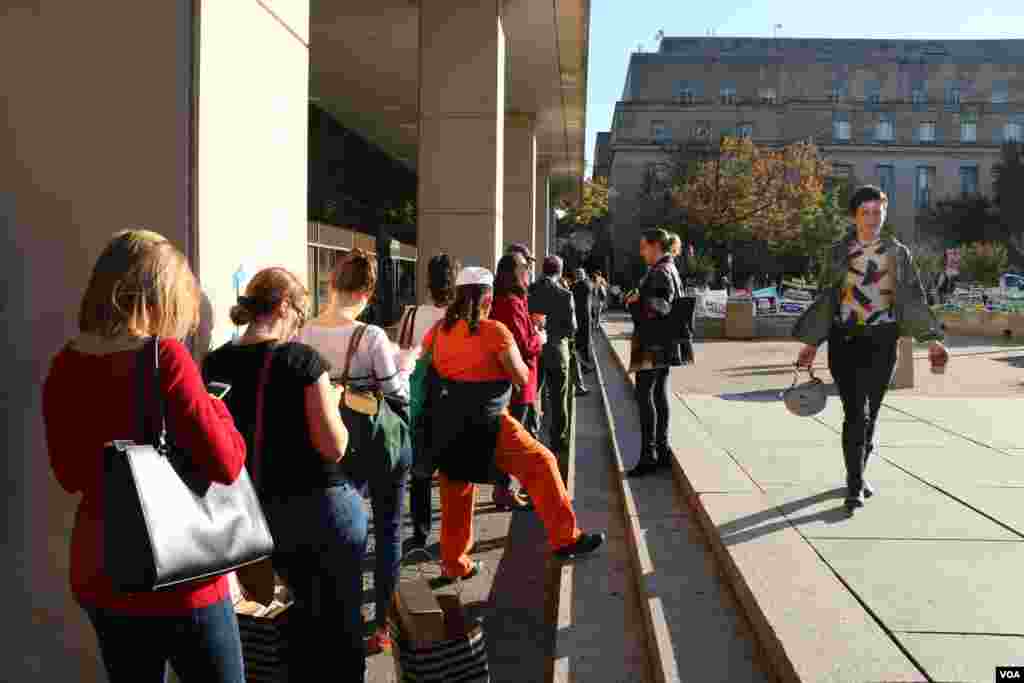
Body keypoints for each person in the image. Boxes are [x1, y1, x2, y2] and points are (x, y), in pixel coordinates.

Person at [43, 229, 249, 682]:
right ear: (156, 297)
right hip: (181, 576)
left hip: (104, 571)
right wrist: (217, 409)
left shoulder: (66, 364)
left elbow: (70, 474)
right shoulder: (166, 358)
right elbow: (226, 463)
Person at [202, 267, 362, 679]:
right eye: (300, 314)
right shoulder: (302, 361)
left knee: (275, 630)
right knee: (335, 631)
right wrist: (338, 407)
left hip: (250, 516)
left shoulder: (214, 363)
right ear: (286, 308)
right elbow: (334, 445)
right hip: (315, 513)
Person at [423, 266, 605, 581]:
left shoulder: (439, 330)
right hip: (490, 420)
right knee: (542, 463)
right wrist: (539, 337)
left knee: (456, 492)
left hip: (448, 422)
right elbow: (520, 378)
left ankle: (454, 564)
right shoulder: (494, 330)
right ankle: (565, 538)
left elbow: (428, 363)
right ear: (487, 297)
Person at [793, 185, 949, 512]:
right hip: (845, 339)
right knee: (855, 413)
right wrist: (811, 344)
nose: (872, 218)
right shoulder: (838, 252)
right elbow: (825, 300)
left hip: (883, 340)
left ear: (885, 214)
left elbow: (911, 299)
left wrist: (932, 341)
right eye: (866, 212)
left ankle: (858, 475)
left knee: (872, 414)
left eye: (878, 211)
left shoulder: (897, 253)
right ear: (854, 216)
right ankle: (853, 486)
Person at [295, 249, 411, 655]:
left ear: (331, 284)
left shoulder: (305, 332)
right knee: (389, 529)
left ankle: (338, 618)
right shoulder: (371, 336)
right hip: (375, 441)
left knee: (344, 530)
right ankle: (381, 625)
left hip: (331, 440)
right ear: (368, 291)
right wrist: (406, 366)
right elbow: (397, 392)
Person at [395, 254, 459, 555]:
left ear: (428, 282)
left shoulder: (412, 315)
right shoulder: (461, 317)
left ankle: (420, 533)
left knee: (420, 473)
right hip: (453, 400)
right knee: (452, 474)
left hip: (418, 399)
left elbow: (403, 358)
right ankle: (453, 537)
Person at [624, 229, 687, 478]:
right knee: (658, 393)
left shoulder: (660, 271)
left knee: (645, 395)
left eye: (643, 247)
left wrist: (635, 304)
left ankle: (648, 455)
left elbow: (658, 310)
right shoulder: (669, 268)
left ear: (655, 246)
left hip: (652, 341)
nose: (641, 252)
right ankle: (660, 450)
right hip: (663, 342)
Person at [491, 253, 546, 509]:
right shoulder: (511, 303)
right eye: (525, 268)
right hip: (519, 380)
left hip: (513, 379)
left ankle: (505, 489)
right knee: (513, 439)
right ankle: (505, 491)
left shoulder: (507, 299)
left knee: (510, 437)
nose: (528, 274)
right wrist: (539, 337)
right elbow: (522, 345)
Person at [528, 255, 577, 453]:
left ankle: (530, 437)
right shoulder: (565, 294)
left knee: (531, 396)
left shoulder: (531, 290)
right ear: (560, 270)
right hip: (557, 351)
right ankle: (558, 440)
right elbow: (572, 329)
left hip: (534, 351)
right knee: (559, 398)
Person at [571, 267, 594, 397]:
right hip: (580, 316)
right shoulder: (582, 284)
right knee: (582, 341)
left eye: (580, 273)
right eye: (577, 273)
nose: (579, 275)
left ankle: (584, 363)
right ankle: (584, 364)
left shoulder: (583, 285)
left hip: (583, 317)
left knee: (584, 341)